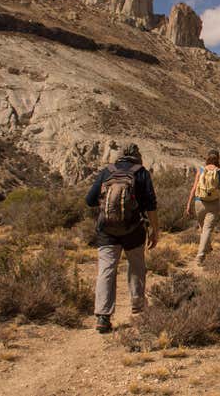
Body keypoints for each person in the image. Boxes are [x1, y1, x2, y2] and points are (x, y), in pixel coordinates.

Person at [85, 143, 159, 334]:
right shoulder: (141, 173)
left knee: (106, 269)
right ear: (137, 155)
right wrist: (155, 230)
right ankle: (138, 306)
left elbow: (89, 200)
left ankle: (103, 316)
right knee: (136, 266)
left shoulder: (107, 172)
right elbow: (151, 204)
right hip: (134, 229)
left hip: (107, 230)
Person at [184, 149, 220, 263]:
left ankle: (207, 248)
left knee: (203, 229)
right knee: (207, 229)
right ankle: (200, 255)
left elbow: (194, 188)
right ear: (218, 158)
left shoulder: (201, 170)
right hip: (213, 203)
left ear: (207, 158)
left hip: (199, 202)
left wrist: (188, 204)